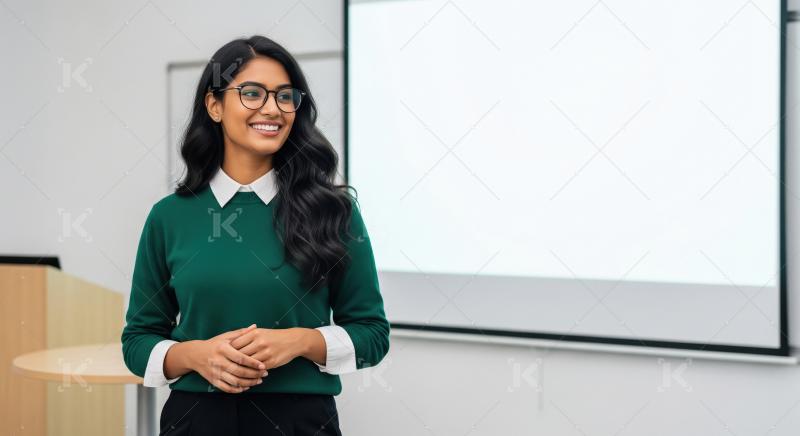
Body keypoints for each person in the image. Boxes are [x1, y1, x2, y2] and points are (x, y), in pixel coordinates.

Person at [121, 35, 390, 435]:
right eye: (252, 93)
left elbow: (372, 335)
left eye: (285, 96)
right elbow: (137, 342)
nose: (272, 109)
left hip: (301, 423)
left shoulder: (334, 212)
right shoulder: (169, 217)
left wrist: (299, 341)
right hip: (195, 420)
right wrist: (195, 355)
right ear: (214, 105)